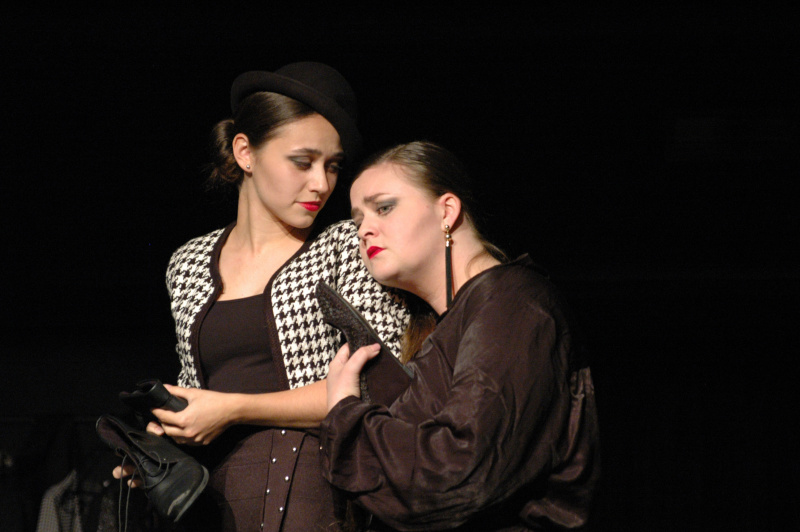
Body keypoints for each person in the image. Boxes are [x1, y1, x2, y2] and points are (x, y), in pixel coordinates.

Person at [114, 63, 409, 531]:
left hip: (315, 497)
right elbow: (199, 395)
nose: (321, 183)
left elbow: (384, 386)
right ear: (245, 152)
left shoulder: (346, 247)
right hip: (213, 502)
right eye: (303, 162)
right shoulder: (188, 263)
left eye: (332, 166)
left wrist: (233, 408)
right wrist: (164, 443)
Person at [322, 141, 600, 531]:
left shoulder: (512, 301)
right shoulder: (449, 326)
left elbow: (460, 470)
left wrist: (345, 415)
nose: (365, 230)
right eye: (357, 221)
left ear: (447, 211)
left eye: (383, 207)